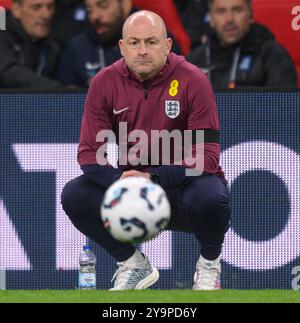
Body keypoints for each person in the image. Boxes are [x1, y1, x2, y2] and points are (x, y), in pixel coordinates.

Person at [61, 10, 231, 290]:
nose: (142, 50)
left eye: (151, 42)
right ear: (122, 47)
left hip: (182, 190)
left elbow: (207, 157)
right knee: (75, 195)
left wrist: (153, 179)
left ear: (167, 46)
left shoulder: (193, 80)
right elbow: (90, 155)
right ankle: (132, 263)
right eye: (134, 42)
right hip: (132, 195)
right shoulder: (104, 83)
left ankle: (209, 266)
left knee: (211, 196)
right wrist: (121, 182)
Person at [58, 0, 181, 88]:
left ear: (125, 4)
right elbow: (69, 106)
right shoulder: (77, 49)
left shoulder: (158, 39)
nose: (95, 16)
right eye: (89, 10)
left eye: (103, 5)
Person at [187, 0, 298, 88]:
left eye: (237, 10)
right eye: (221, 11)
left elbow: (281, 111)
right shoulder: (194, 60)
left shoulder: (273, 55)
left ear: (250, 15)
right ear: (210, 19)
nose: (229, 19)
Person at [0, 0, 62, 88]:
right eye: (36, 7)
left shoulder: (54, 47)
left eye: (50, 7)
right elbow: (9, 72)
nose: (46, 15)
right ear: (16, 10)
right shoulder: (2, 35)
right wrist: (58, 90)